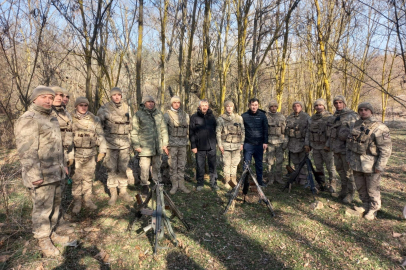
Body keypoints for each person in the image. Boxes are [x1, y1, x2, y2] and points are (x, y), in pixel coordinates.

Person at [15, 86, 69, 257]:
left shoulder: (51, 118)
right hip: (41, 175)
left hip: (56, 171)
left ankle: (51, 232)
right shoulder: (29, 119)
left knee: (55, 205)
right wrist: (34, 175)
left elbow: (57, 146)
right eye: (44, 97)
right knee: (42, 209)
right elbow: (26, 150)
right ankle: (42, 238)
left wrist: (64, 164)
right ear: (34, 99)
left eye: (50, 98)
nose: (48, 100)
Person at [347, 102, 392, 220]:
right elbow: (349, 144)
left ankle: (373, 209)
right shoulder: (355, 125)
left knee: (372, 189)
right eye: (361, 110)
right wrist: (349, 159)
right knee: (360, 186)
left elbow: (386, 149)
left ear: (371, 111)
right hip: (356, 163)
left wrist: (380, 166)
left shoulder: (380, 127)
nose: (363, 112)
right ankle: (365, 205)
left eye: (366, 109)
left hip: (371, 164)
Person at [97, 87, 133, 205]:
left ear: (121, 96)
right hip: (110, 144)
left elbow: (130, 126)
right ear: (111, 96)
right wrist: (102, 146)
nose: (117, 97)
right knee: (111, 169)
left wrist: (131, 143)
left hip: (124, 144)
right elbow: (98, 128)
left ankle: (123, 191)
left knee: (123, 169)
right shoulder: (104, 109)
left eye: (119, 95)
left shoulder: (127, 108)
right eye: (114, 95)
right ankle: (113, 192)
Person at [71, 97, 107, 213]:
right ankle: (77, 201)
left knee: (88, 178)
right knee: (76, 179)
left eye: (85, 105)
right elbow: (67, 137)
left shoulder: (94, 119)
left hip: (91, 153)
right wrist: (68, 155)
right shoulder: (70, 118)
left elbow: (101, 135)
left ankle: (87, 200)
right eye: (81, 105)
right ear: (76, 106)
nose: (83, 107)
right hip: (76, 154)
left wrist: (102, 151)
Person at [131, 95, 169, 196]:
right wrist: (136, 145)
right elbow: (134, 131)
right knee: (144, 167)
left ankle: (157, 184)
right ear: (144, 103)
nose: (151, 103)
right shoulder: (138, 114)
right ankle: (144, 185)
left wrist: (164, 143)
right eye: (148, 102)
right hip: (144, 147)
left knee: (157, 166)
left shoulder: (158, 114)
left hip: (157, 147)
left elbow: (164, 130)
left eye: (152, 102)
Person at [325, 95, 358, 203]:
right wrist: (329, 145)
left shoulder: (352, 116)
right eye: (336, 103)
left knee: (349, 173)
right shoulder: (334, 116)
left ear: (344, 103)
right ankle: (343, 191)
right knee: (340, 171)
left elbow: (355, 134)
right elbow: (331, 133)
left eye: (340, 102)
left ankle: (351, 193)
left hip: (347, 150)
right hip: (336, 149)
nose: (338, 105)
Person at [304, 98, 337, 192]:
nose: (318, 107)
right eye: (316, 105)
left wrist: (328, 145)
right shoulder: (312, 118)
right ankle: (321, 183)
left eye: (320, 105)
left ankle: (332, 184)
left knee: (330, 167)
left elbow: (332, 134)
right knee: (318, 166)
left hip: (326, 147)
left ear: (324, 106)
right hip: (315, 146)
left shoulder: (330, 117)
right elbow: (308, 132)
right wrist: (307, 144)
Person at [163, 96, 191, 194]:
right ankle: (174, 185)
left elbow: (188, 129)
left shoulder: (185, 115)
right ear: (171, 104)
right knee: (172, 165)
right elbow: (164, 130)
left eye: (178, 102)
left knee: (182, 165)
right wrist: (165, 145)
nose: (176, 104)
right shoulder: (167, 115)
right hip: (172, 144)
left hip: (183, 144)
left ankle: (181, 184)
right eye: (174, 102)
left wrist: (189, 142)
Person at [190, 99, 218, 191]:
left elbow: (215, 130)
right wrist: (193, 146)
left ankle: (213, 183)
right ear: (199, 107)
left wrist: (216, 143)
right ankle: (200, 183)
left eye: (206, 105)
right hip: (199, 146)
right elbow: (191, 132)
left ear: (208, 107)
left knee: (212, 166)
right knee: (200, 166)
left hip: (211, 146)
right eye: (203, 105)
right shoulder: (194, 117)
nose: (204, 107)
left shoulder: (212, 117)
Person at [216, 100, 244, 189]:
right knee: (226, 163)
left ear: (233, 107)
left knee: (234, 163)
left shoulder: (239, 118)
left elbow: (243, 131)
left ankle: (233, 179)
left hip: (236, 145)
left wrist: (242, 143)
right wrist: (220, 145)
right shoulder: (221, 119)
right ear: (225, 108)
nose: (229, 108)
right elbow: (218, 133)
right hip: (226, 145)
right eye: (227, 106)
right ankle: (227, 181)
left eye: (231, 106)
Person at [241, 98, 268, 187]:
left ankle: (259, 182)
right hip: (248, 144)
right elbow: (241, 131)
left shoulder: (263, 116)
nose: (254, 107)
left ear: (258, 105)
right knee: (246, 165)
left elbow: (265, 129)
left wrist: (265, 142)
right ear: (249, 105)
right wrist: (242, 143)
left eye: (256, 105)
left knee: (259, 164)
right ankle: (245, 182)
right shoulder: (244, 116)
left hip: (259, 144)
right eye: (252, 105)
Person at [285, 101, 310, 185]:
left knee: (303, 162)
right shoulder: (289, 117)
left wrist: (307, 144)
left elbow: (308, 132)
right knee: (295, 162)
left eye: (298, 106)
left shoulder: (306, 117)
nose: (296, 107)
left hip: (302, 143)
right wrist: (286, 143)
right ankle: (297, 177)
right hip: (292, 144)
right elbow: (286, 132)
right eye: (294, 106)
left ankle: (303, 178)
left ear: (301, 107)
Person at [265, 100, 287, 184]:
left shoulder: (282, 117)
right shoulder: (265, 117)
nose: (273, 108)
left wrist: (285, 142)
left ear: (277, 107)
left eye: (275, 106)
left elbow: (285, 131)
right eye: (271, 106)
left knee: (279, 161)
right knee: (269, 161)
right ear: (269, 108)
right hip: (269, 142)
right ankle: (270, 178)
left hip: (279, 143)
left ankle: (278, 178)